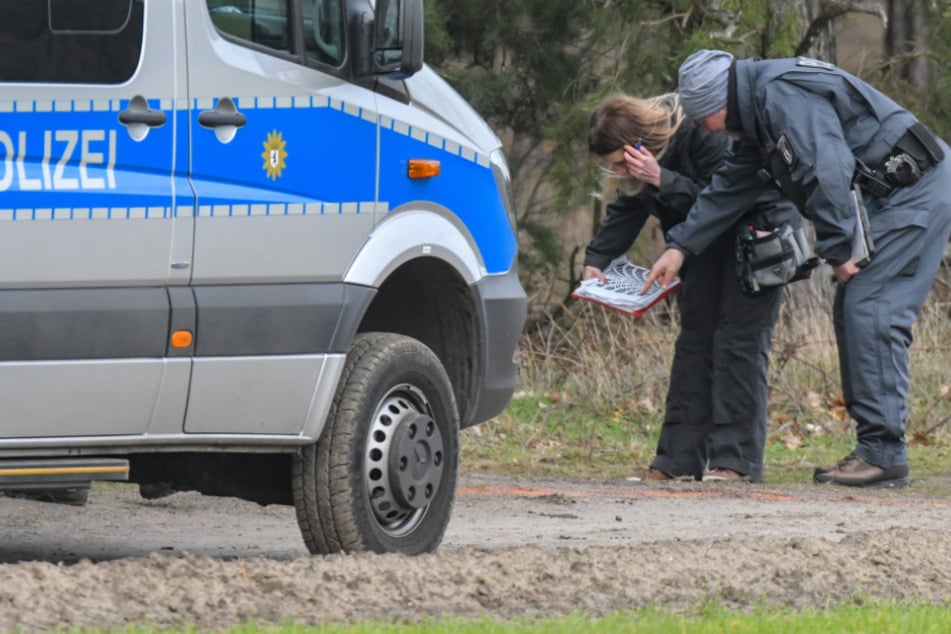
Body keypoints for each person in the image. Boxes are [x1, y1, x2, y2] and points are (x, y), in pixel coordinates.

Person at [645, 50, 951, 488]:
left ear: (718, 104)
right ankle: (878, 451)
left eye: (700, 119)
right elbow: (730, 186)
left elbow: (826, 168)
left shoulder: (779, 96)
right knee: (857, 306)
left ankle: (884, 456)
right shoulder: (758, 111)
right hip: (890, 196)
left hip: (914, 191)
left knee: (870, 305)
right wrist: (679, 249)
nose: (700, 129)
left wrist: (840, 246)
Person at [584, 93, 801, 482]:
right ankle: (675, 461)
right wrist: (596, 260)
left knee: (739, 347)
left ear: (638, 143)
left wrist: (660, 178)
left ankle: (736, 463)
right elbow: (631, 206)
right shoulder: (642, 164)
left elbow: (724, 199)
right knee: (693, 347)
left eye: (621, 162)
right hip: (697, 249)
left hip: (754, 240)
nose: (620, 171)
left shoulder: (704, 134)